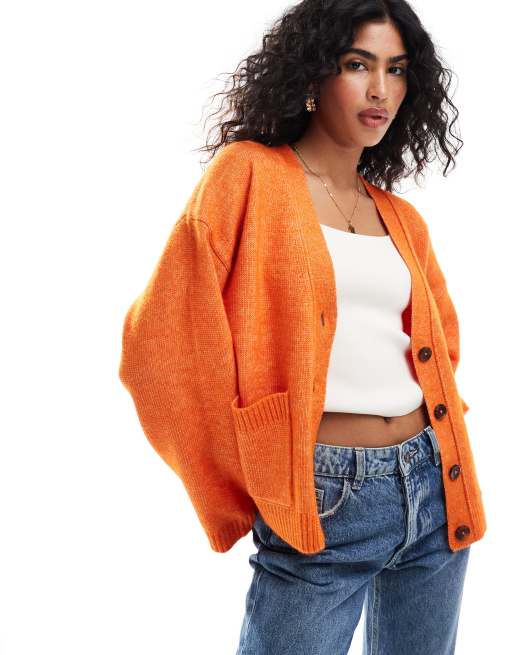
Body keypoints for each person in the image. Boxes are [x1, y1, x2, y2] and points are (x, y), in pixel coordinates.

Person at [118, 1, 487, 653]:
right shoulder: (248, 176)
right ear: (314, 74)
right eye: (358, 65)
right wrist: (248, 478)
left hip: (435, 487)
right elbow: (160, 347)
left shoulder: (401, 218)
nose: (380, 89)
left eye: (396, 69)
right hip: (321, 496)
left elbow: (441, 348)